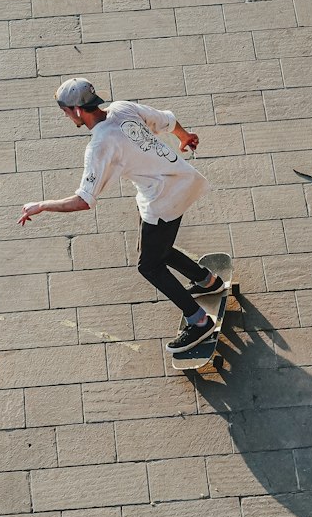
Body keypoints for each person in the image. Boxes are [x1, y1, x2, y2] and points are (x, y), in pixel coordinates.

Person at [19, 78, 225, 353]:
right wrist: (184, 137)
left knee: (149, 266)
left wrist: (43, 205)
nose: (65, 116)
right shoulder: (122, 108)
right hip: (183, 181)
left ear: (78, 111)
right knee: (154, 249)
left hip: (163, 201)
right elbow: (167, 119)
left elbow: (84, 201)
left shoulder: (100, 145)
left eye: (65, 111)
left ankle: (199, 321)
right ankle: (207, 281)